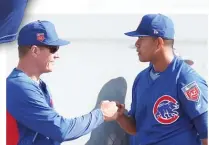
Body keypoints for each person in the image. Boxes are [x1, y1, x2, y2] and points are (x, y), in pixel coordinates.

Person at [6, 20, 119, 145]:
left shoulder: (38, 85)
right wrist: (102, 114)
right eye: (53, 49)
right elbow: (61, 130)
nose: (57, 55)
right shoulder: (19, 87)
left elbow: (48, 133)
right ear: (34, 51)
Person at [115, 14, 208, 145]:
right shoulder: (141, 79)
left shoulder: (186, 79)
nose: (136, 44)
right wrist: (120, 116)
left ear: (158, 43)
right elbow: (136, 128)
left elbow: (206, 132)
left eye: (141, 38)